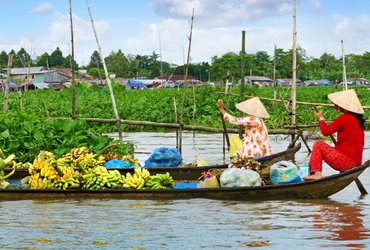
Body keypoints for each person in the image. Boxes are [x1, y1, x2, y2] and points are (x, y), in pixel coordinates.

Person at [304, 89, 365, 180]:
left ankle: (317, 174)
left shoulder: (345, 118)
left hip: (346, 161)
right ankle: (311, 172)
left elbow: (325, 131)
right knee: (318, 149)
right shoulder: (357, 120)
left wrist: (321, 119)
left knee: (319, 144)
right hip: (353, 162)